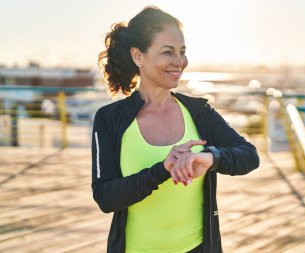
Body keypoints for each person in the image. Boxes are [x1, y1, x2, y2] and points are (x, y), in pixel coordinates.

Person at [92, 6, 260, 253]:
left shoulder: (199, 112)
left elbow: (249, 155)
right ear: (138, 56)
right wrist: (162, 170)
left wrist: (211, 157)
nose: (179, 61)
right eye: (167, 52)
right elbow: (105, 197)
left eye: (182, 52)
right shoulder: (110, 119)